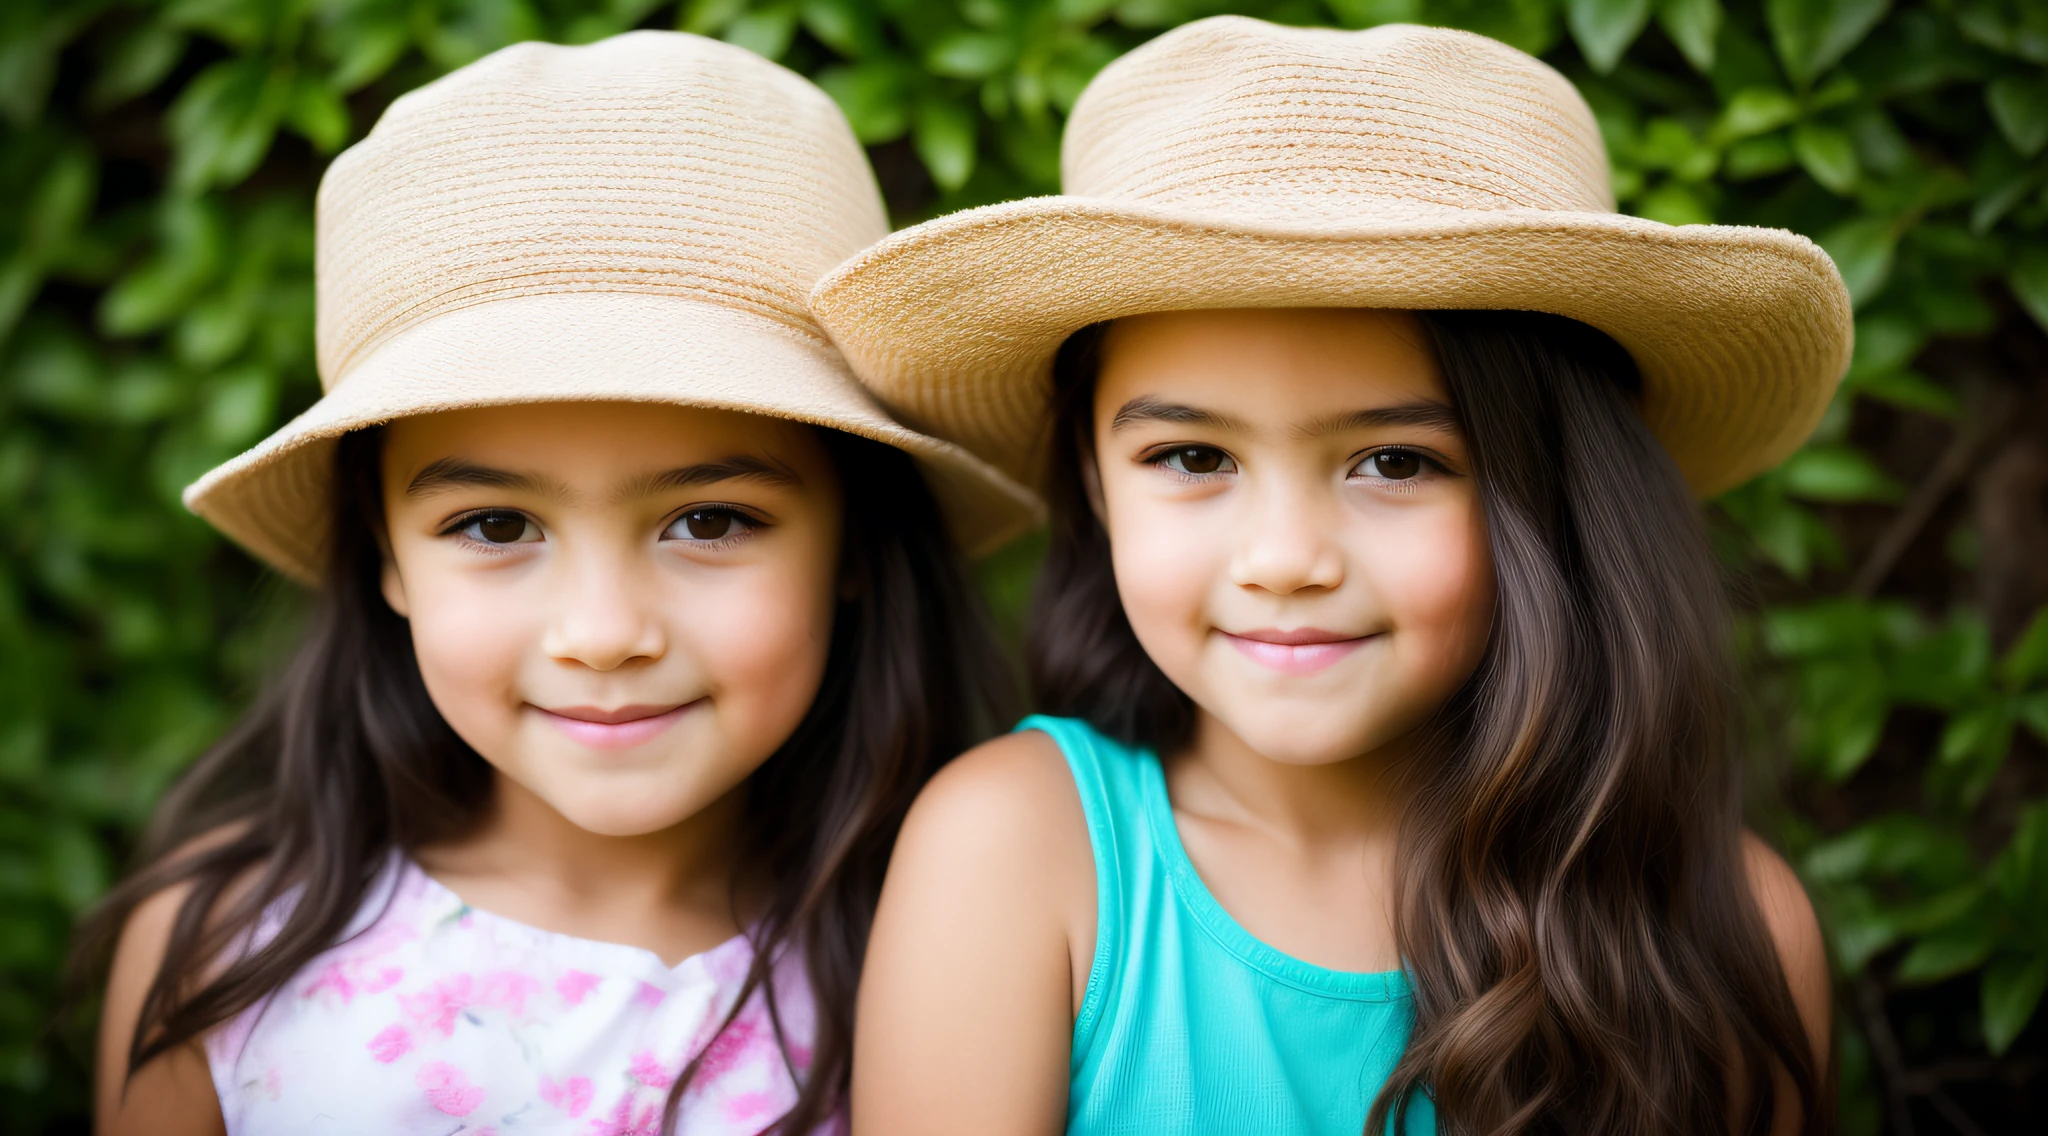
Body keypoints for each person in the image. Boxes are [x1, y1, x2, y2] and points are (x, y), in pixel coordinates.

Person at [811, 17, 1844, 1136]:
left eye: (1394, 462)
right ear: (1094, 481)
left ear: (1549, 489)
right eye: (1192, 458)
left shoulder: (1730, 924)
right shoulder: (1016, 854)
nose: (1286, 559)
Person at [78, 31, 1035, 1136]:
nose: (602, 632)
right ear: (384, 553)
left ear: (856, 540)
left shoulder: (971, 966)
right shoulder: (228, 943)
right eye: (494, 524)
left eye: (709, 520)